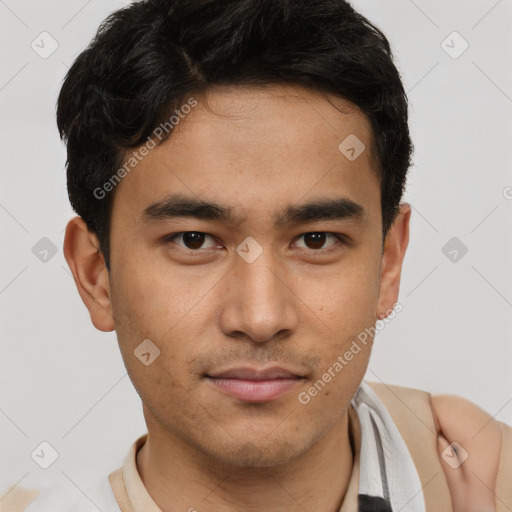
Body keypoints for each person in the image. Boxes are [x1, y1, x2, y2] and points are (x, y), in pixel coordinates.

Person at [3, 0, 511, 510]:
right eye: (194, 240)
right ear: (97, 276)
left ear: (388, 262)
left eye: (316, 240)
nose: (261, 317)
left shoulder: (481, 479)